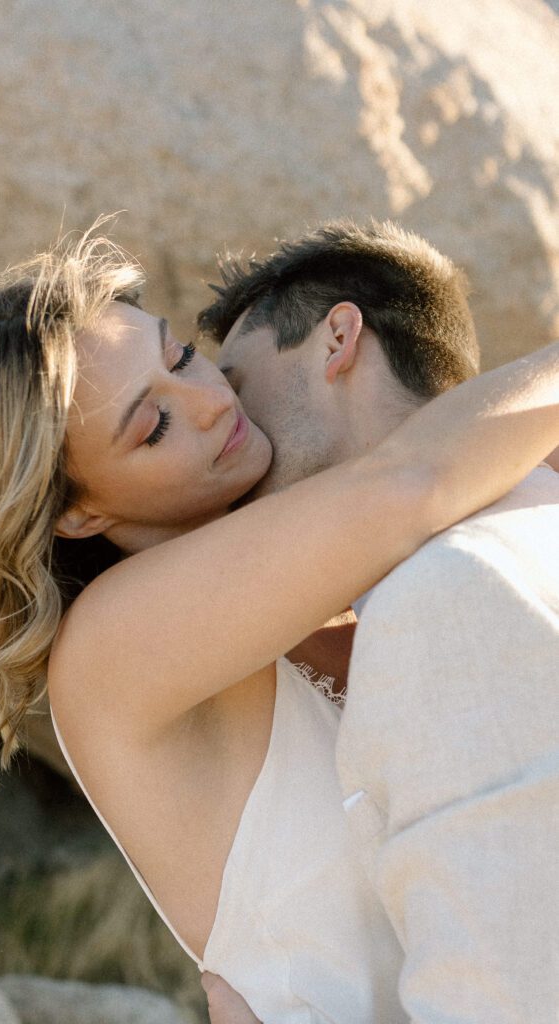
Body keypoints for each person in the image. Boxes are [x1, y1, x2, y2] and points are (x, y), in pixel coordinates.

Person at [0, 221, 559, 1024]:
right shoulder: (112, 649)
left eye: (179, 358)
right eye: (154, 425)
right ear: (78, 511)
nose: (210, 402)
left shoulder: (313, 594)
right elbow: (411, 481)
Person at [196, 220, 559, 1023]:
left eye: (238, 384)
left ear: (337, 336)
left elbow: (508, 995)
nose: (225, 426)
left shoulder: (445, 597)